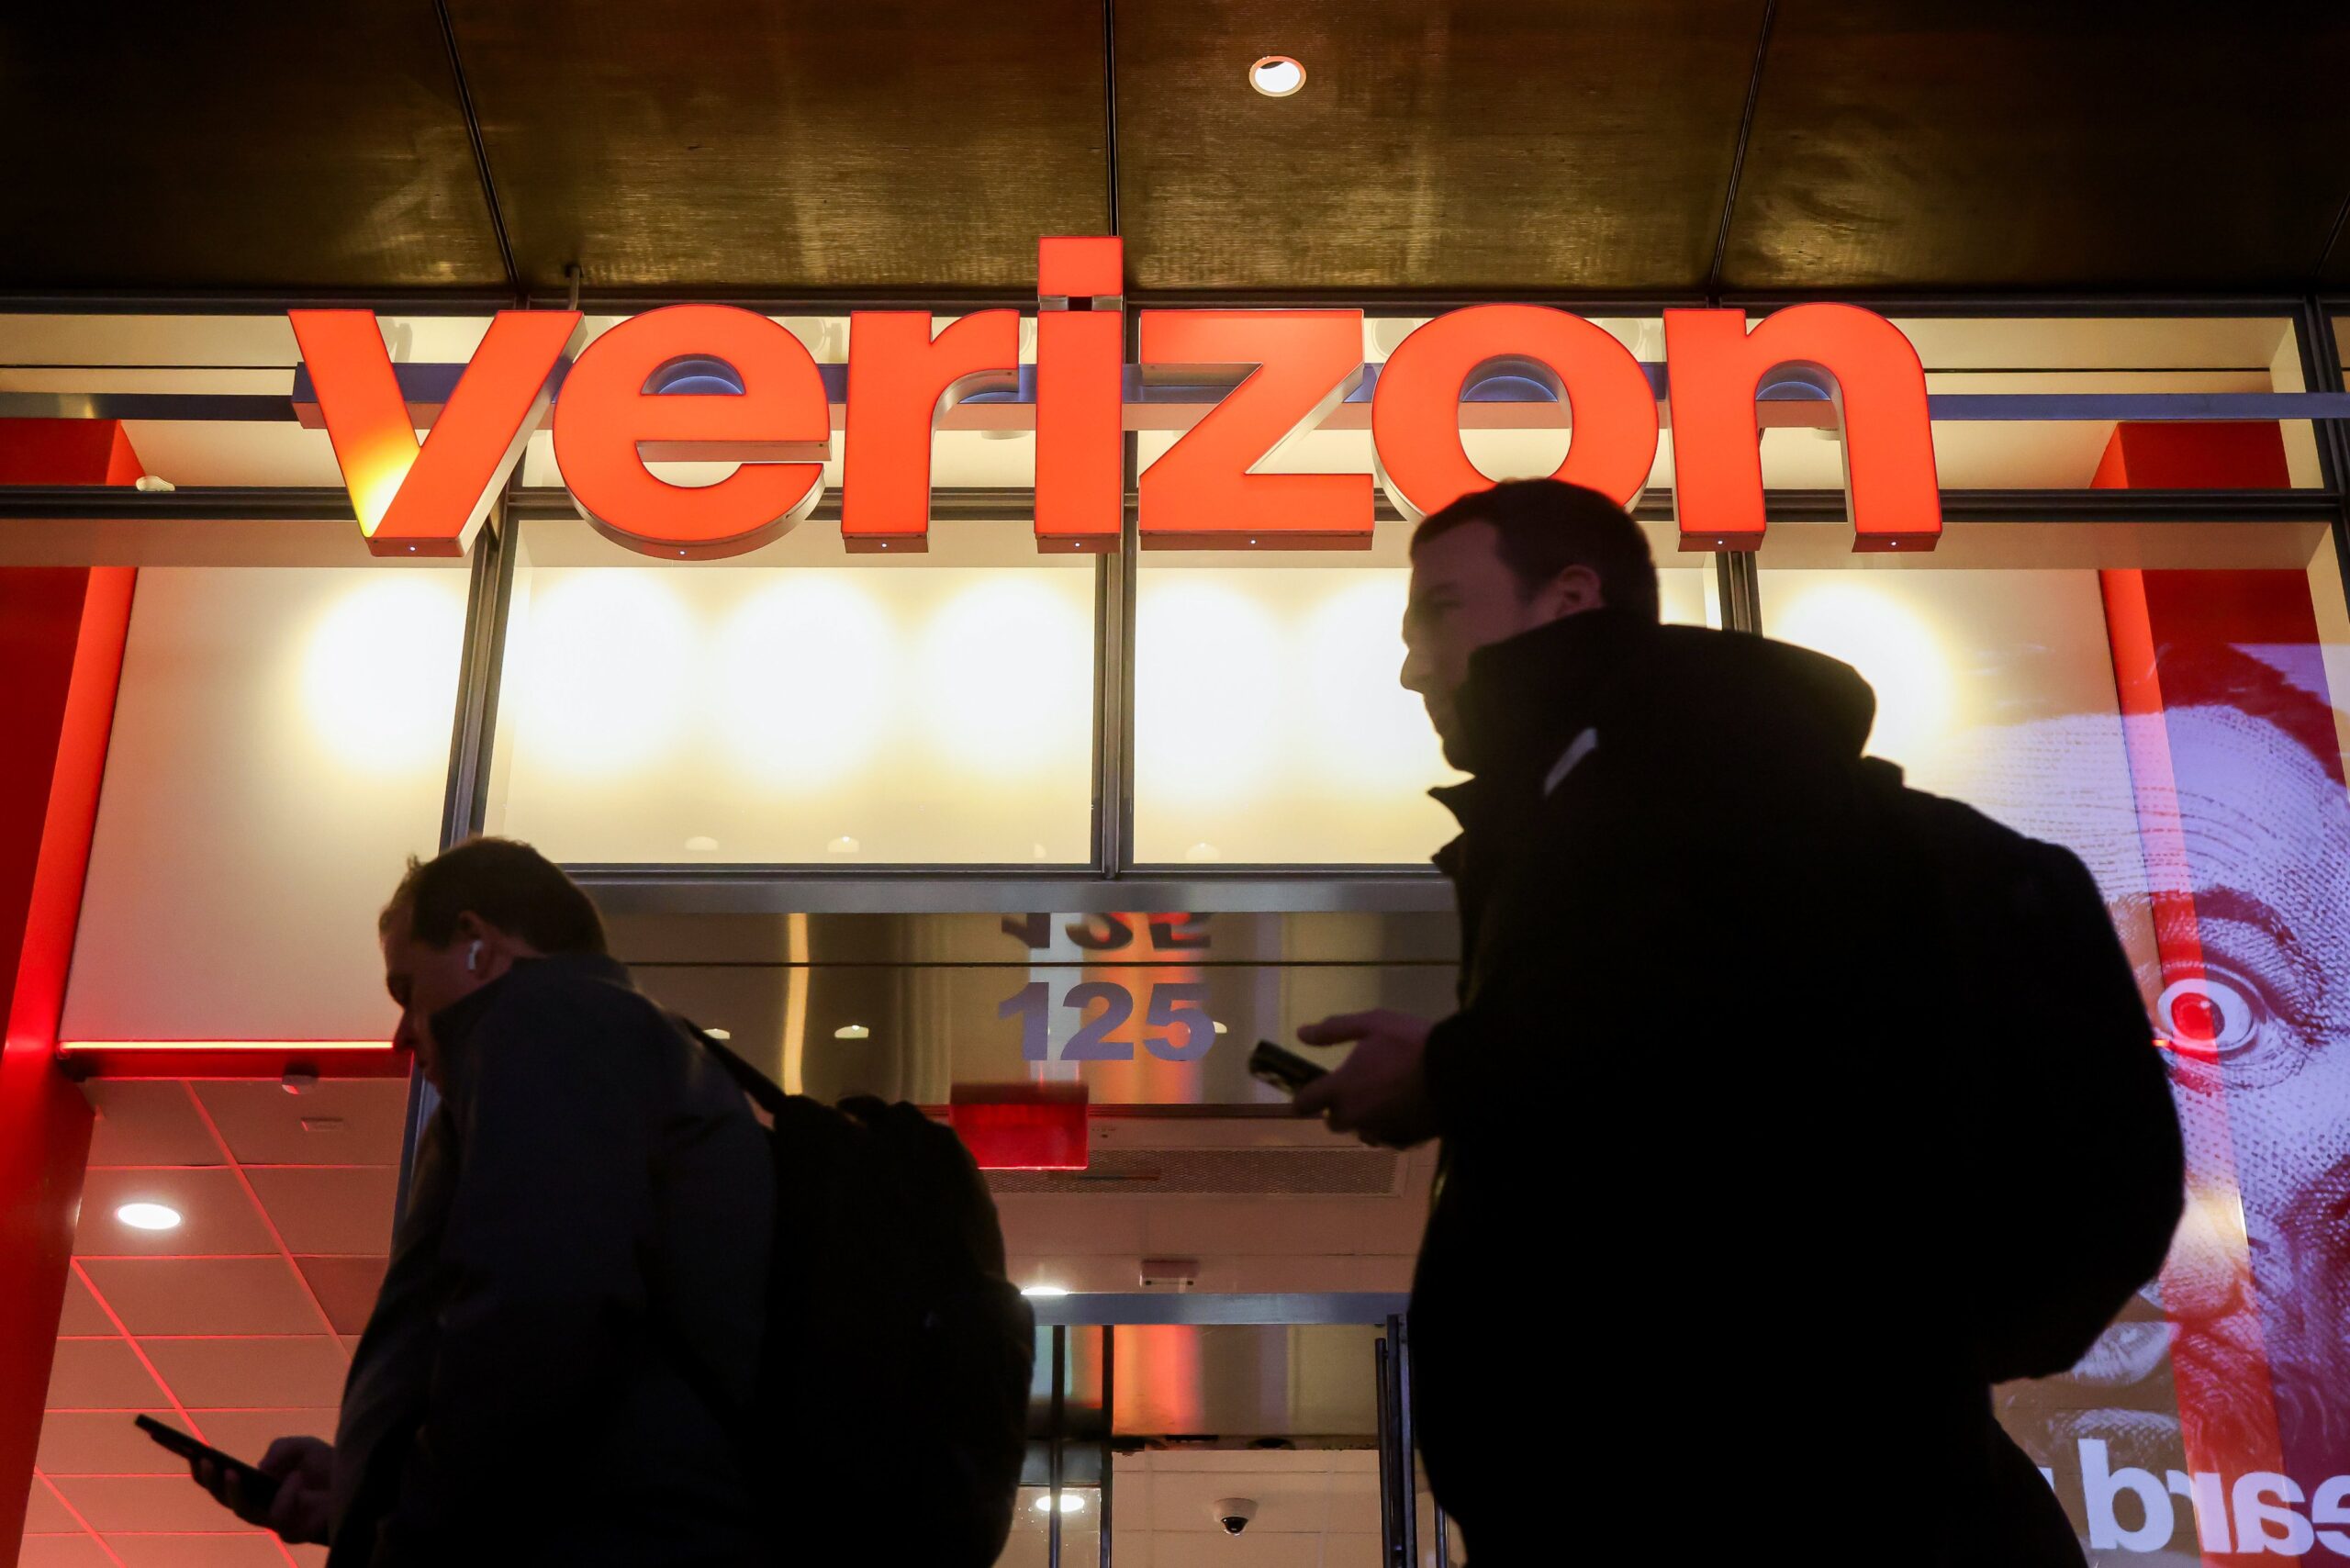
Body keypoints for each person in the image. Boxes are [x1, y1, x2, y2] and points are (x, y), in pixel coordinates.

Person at [1293, 478, 2177, 1564]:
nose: (1414, 664)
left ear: (1570, 598)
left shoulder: (1674, 806)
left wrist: (1453, 1072)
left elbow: (1704, 1030)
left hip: (1743, 1510)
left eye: (1440, 610)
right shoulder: (1657, 807)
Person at [185, 836, 772, 1565]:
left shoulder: (544, 1019)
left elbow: (533, 1313)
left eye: (407, 991)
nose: (403, 1034)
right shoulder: (640, 1053)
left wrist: (408, 1541)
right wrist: (365, 1491)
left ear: (476, 946)